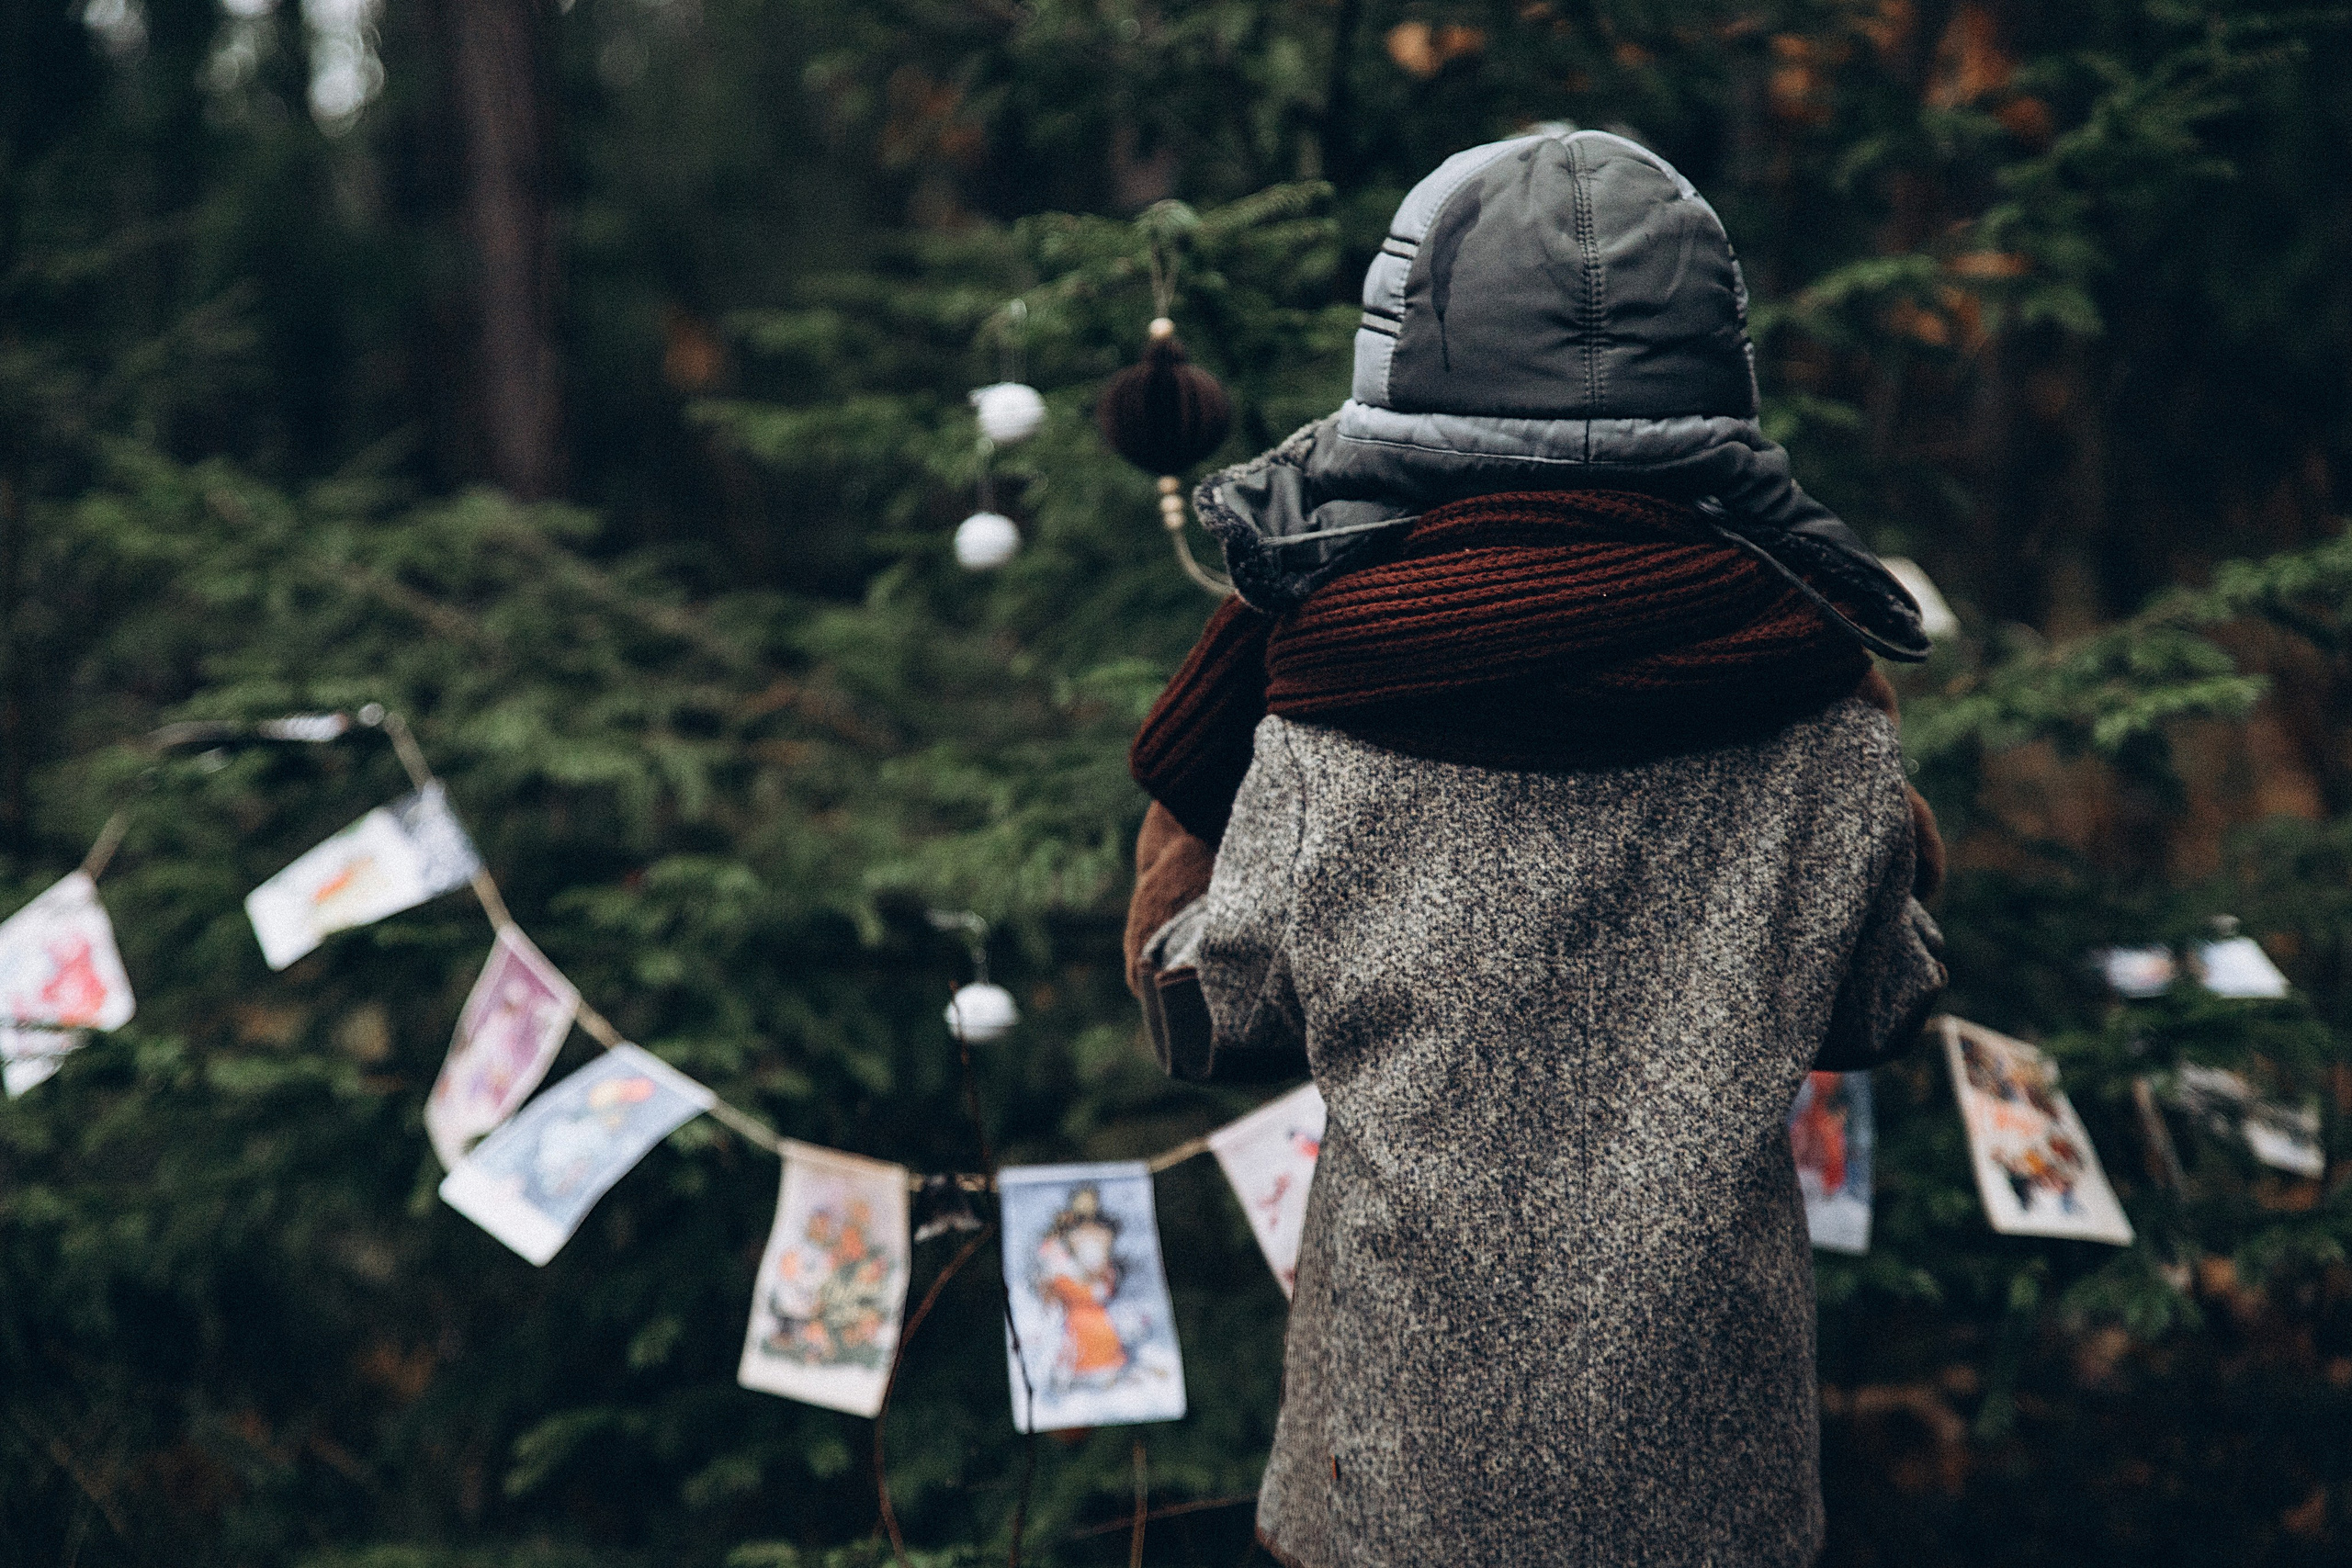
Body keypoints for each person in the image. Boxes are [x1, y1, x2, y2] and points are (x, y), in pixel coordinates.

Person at [1125, 129, 1948, 1568]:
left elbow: (1212, 1010)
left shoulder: (1332, 715)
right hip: (1713, 1480)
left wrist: (1184, 816)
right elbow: (1881, 1001)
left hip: (1402, 1478)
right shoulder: (1814, 709)